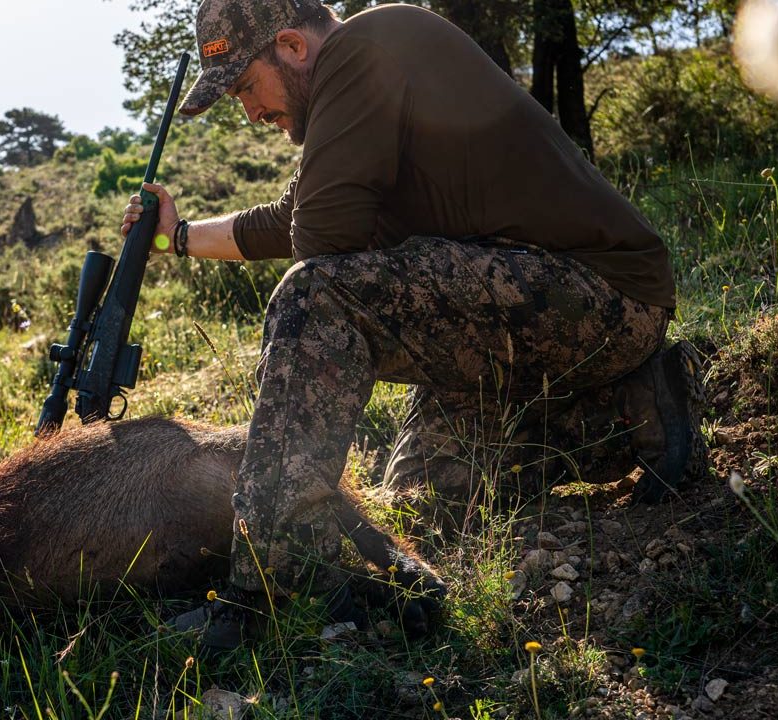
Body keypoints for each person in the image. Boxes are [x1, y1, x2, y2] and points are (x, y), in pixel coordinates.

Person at [120, 0, 708, 651]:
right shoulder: (360, 81)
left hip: (601, 294)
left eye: (245, 89)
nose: (251, 113)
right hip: (542, 311)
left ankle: (271, 582)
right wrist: (174, 237)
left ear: (290, 46)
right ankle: (631, 414)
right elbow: (286, 221)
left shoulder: (367, 47)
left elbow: (315, 243)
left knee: (313, 295)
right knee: (425, 491)